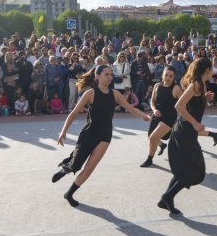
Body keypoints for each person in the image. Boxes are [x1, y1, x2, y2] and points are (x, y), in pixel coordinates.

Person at [52, 65, 150, 207]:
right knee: (76, 164)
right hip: (89, 133)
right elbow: (73, 113)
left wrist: (144, 116)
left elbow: (131, 108)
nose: (110, 77)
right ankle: (66, 169)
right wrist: (63, 131)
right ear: (98, 76)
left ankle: (69, 193)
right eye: (106, 74)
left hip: (105, 135)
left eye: (111, 74)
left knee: (90, 167)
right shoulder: (90, 93)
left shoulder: (115, 94)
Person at [158, 58, 216, 215]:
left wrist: (206, 98)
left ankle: (166, 199)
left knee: (184, 168)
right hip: (184, 131)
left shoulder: (201, 85)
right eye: (212, 68)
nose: (213, 71)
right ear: (206, 70)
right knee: (197, 170)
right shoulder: (196, 84)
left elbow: (193, 104)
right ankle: (168, 196)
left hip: (188, 132)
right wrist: (195, 123)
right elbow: (179, 106)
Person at [140, 66, 182, 167]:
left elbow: (184, 103)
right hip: (157, 115)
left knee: (153, 137)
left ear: (174, 77)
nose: (168, 78)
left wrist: (182, 118)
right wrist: (154, 110)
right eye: (166, 75)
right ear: (163, 74)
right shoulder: (157, 86)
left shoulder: (176, 88)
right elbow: (152, 102)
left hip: (169, 117)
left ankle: (149, 159)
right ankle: (162, 145)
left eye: (171, 76)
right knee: (150, 137)